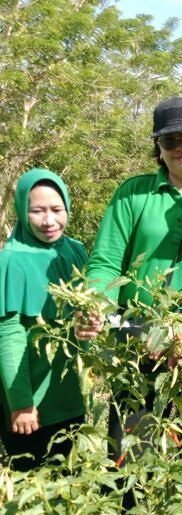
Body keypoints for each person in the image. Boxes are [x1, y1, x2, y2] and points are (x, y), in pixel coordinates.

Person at [83, 96, 182, 451]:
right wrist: (97, 305)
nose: (181, 148)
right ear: (159, 147)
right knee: (128, 447)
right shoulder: (132, 194)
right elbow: (106, 262)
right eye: (170, 141)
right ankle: (126, 507)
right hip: (137, 337)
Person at [0, 169, 87, 471]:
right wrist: (21, 402)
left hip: (68, 396)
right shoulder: (12, 259)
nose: (48, 221)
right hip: (30, 405)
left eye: (56, 209)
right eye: (36, 211)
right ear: (22, 211)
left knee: (70, 480)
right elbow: (9, 336)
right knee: (32, 491)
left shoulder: (76, 251)